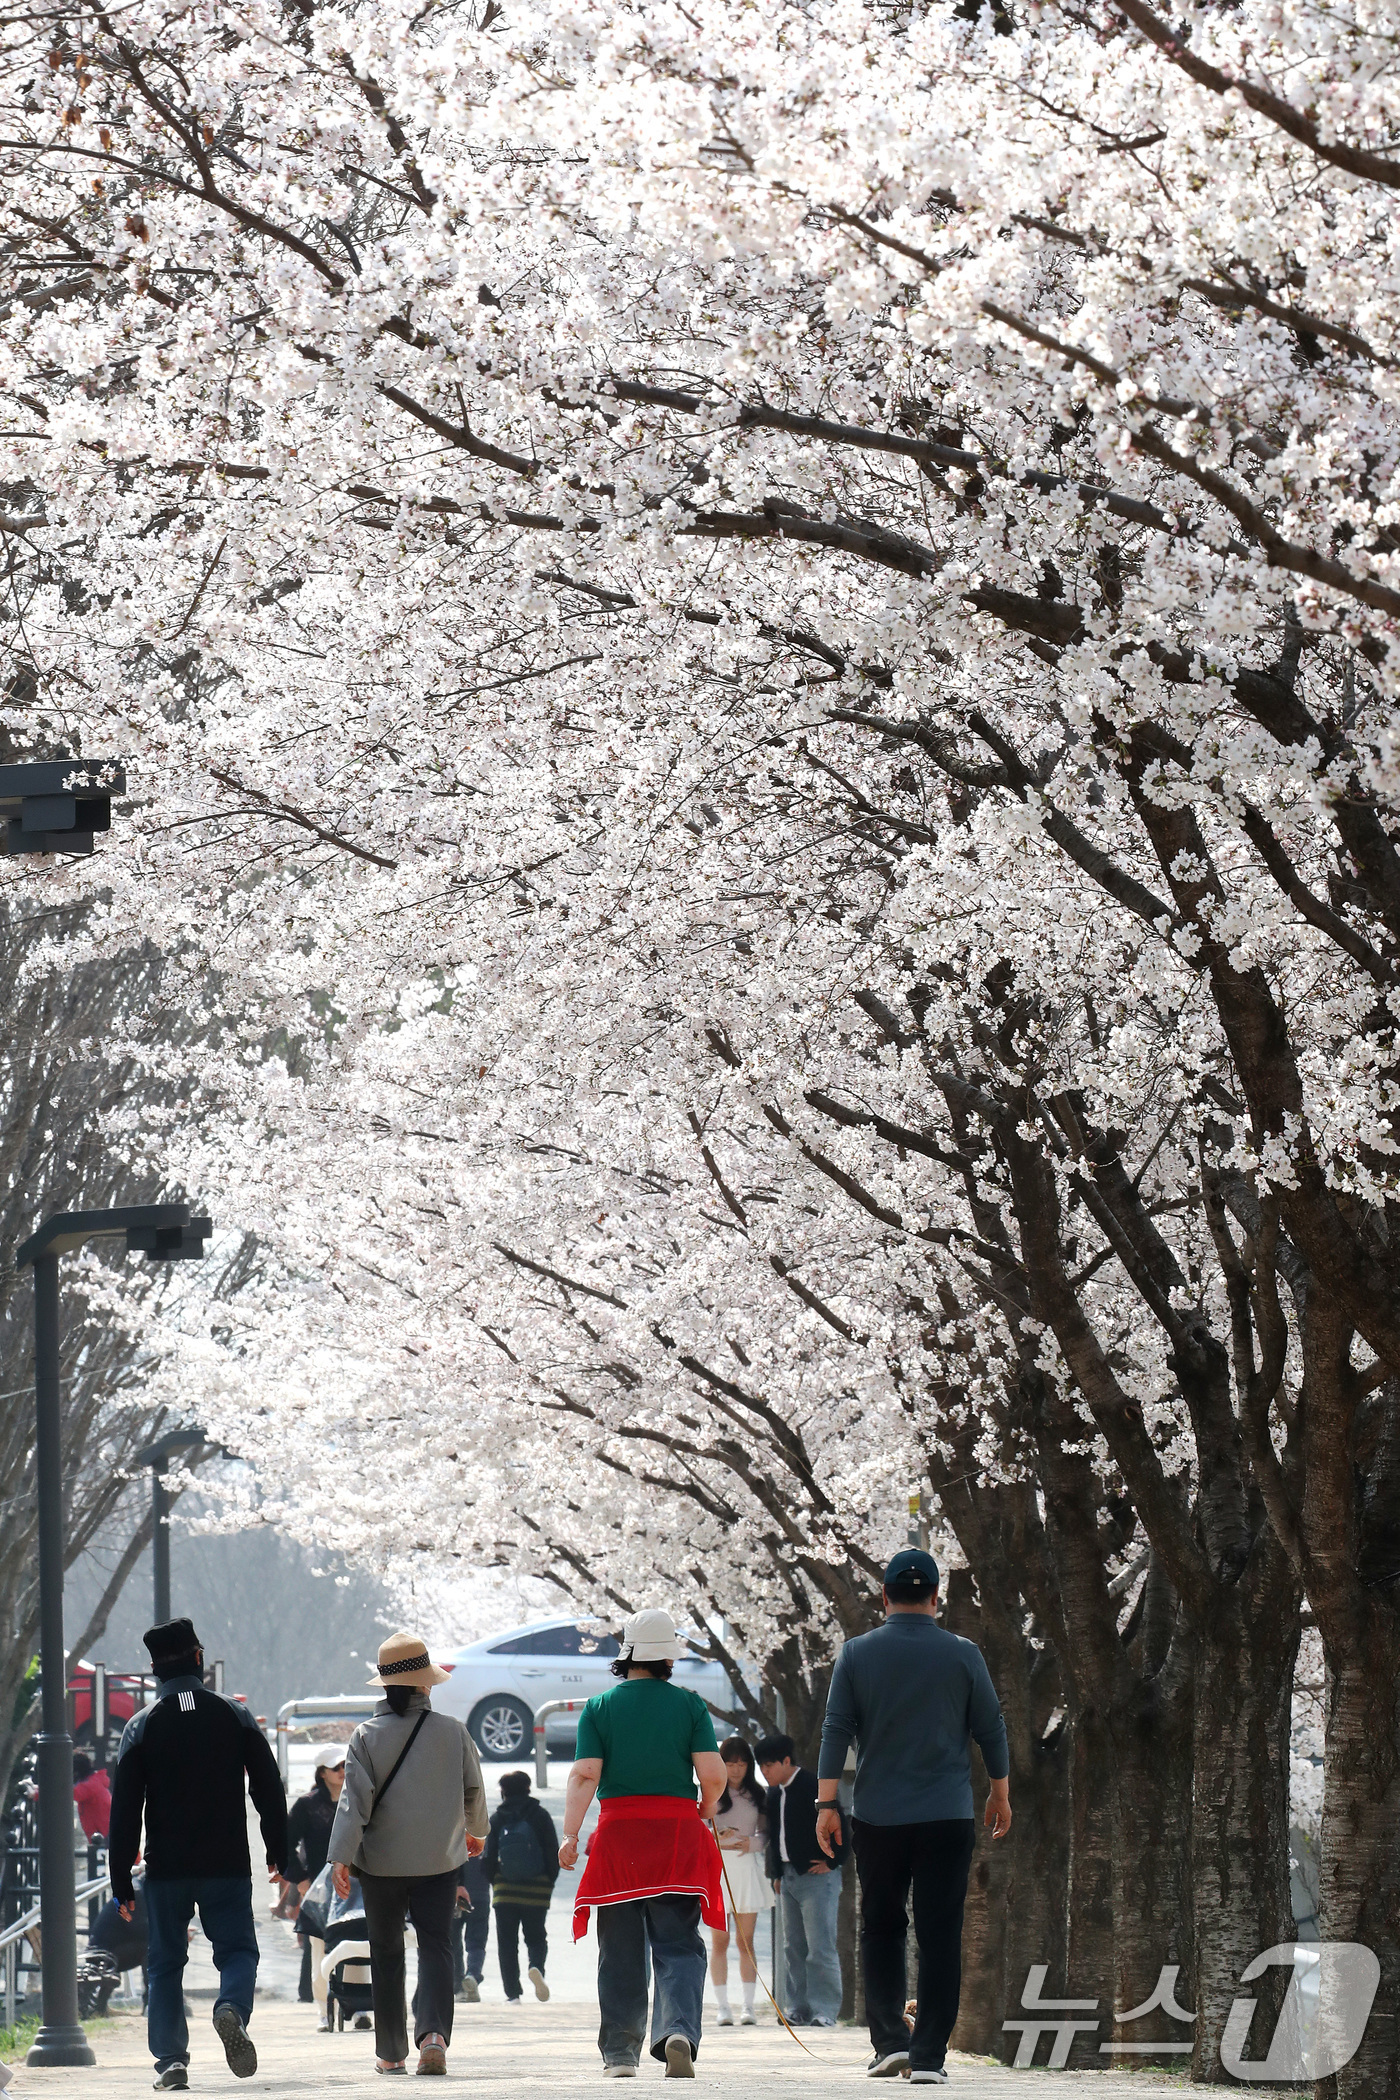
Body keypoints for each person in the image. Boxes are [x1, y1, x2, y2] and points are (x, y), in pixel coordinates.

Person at [816, 1547, 1011, 2084]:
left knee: (881, 1926)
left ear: (884, 1596)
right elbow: (991, 1729)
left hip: (878, 1815)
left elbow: (836, 1730)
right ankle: (929, 2057)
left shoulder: (856, 1653)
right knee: (941, 1930)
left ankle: (889, 2044)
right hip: (947, 1815)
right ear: (936, 1597)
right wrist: (1000, 1792)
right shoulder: (964, 1653)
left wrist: (826, 1802)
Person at [109, 1617, 289, 2093]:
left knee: (165, 1962)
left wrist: (120, 1878)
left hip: (166, 1868)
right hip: (226, 1862)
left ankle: (171, 2062)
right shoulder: (234, 1715)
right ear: (199, 1659)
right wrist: (278, 1849)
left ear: (154, 1671)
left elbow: (125, 1809)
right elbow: (268, 1787)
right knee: (237, 1951)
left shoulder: (140, 1726)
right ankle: (230, 2006)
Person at [560, 1607, 727, 2079]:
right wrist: (707, 1808)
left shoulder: (599, 1708)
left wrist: (571, 1835)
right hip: (676, 1833)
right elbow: (712, 1775)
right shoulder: (690, 1705)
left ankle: (620, 2053)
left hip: (619, 1837)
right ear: (667, 1659)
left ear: (627, 1655)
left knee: (620, 1949)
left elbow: (585, 1774)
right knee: (678, 1943)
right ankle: (677, 2031)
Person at [328, 1631, 488, 2077]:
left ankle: (391, 2052)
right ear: (425, 1684)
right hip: (439, 1860)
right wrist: (475, 1833)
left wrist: (341, 1857)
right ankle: (433, 2035)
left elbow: (353, 1802)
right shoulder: (453, 1732)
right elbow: (473, 1791)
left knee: (386, 1951)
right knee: (437, 1945)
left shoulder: (366, 1735)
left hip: (380, 1864)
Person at [755, 1732, 846, 2031]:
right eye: (762, 1766)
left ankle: (825, 2010)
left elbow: (841, 1824)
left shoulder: (811, 1786)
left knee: (820, 1946)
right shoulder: (774, 1794)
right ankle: (797, 2008)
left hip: (817, 1877)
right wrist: (776, 1874)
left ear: (786, 1760)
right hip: (787, 1877)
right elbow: (774, 1837)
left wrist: (832, 1861)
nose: (765, 1771)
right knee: (792, 1946)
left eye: (769, 1765)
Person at [708, 1738, 771, 2028]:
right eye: (730, 1763)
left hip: (745, 1868)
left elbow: (766, 1834)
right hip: (718, 1870)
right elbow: (698, 1829)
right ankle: (723, 2007)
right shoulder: (710, 1793)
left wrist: (751, 1842)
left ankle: (748, 2006)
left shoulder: (758, 1795)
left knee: (745, 1941)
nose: (736, 1769)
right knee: (719, 1941)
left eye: (742, 1763)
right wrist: (715, 1839)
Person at [484, 1770, 560, 2004]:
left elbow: (488, 1858)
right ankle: (536, 1967)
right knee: (536, 1937)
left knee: (507, 1943)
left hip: (505, 1891)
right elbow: (552, 1853)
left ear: (503, 1791)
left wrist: (496, 1882)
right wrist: (547, 1882)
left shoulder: (497, 1819)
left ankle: (512, 1994)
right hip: (537, 1890)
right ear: (528, 1788)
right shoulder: (540, 1816)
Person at [287, 1757, 346, 2028]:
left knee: (358, 1944)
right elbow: (285, 1844)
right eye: (336, 1767)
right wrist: (299, 1881)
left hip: (355, 1885)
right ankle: (323, 2009)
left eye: (347, 1766)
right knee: (318, 1948)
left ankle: (358, 2008)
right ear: (322, 1772)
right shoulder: (307, 1805)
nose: (343, 1772)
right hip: (318, 1888)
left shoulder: (357, 1800)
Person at [457, 1853, 492, 2000]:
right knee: (476, 1943)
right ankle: (472, 1974)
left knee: (453, 1941)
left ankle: (459, 1988)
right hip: (481, 1896)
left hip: (456, 1894)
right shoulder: (482, 1835)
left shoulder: (453, 1834)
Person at [72, 1751, 112, 1841]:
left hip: (106, 1838)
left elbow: (64, 1793)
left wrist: (36, 1793)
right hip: (106, 1835)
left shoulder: (88, 1786)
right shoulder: (94, 1780)